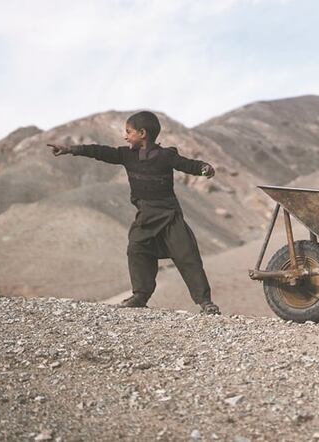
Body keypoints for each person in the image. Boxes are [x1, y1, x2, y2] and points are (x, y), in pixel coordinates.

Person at [48, 111, 221, 314]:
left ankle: (205, 302)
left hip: (169, 217)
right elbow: (100, 151)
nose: (125, 136)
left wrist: (204, 168)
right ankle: (140, 296)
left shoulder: (166, 156)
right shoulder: (126, 155)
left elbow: (188, 165)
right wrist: (71, 149)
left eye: (128, 132)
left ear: (142, 133)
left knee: (187, 256)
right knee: (137, 249)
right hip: (145, 218)